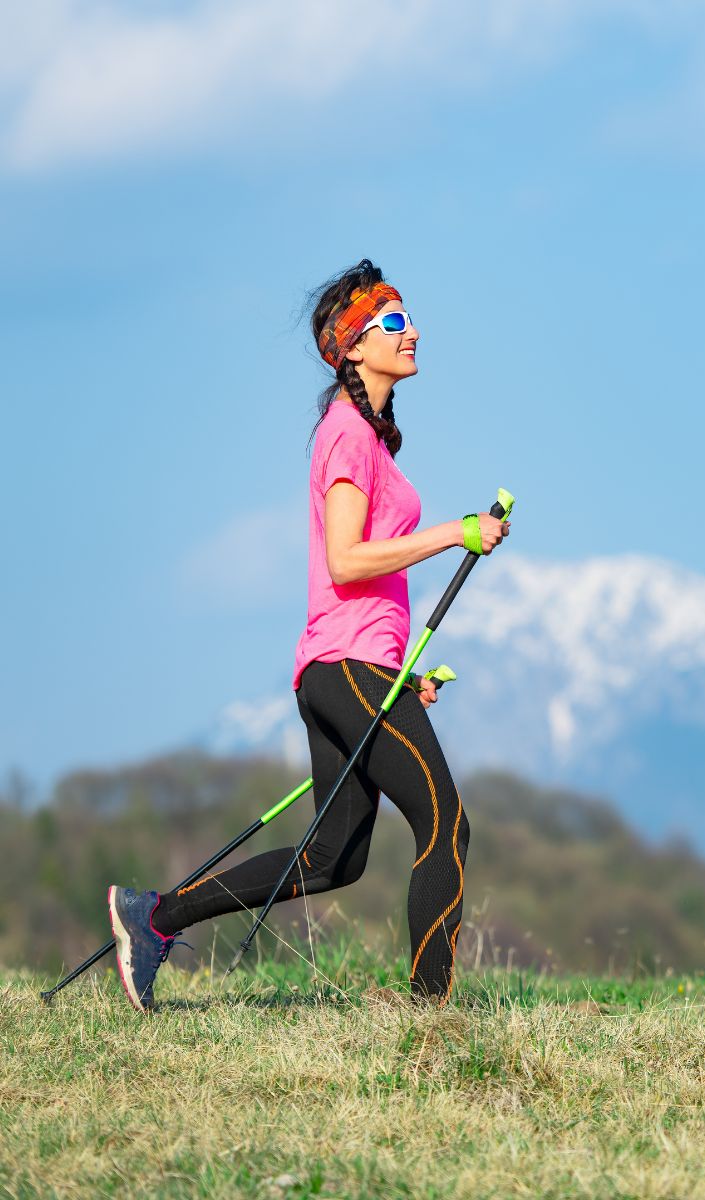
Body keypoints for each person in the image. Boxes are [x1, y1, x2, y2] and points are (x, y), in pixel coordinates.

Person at [107, 259, 509, 1010]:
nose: (412, 330)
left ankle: (152, 917)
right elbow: (347, 559)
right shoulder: (349, 434)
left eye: (408, 317)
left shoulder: (370, 440)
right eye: (393, 322)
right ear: (354, 345)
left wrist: (399, 673)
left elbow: (357, 579)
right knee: (445, 825)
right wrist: (453, 531)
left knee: (333, 858)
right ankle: (430, 1019)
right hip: (346, 666)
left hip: (348, 667)